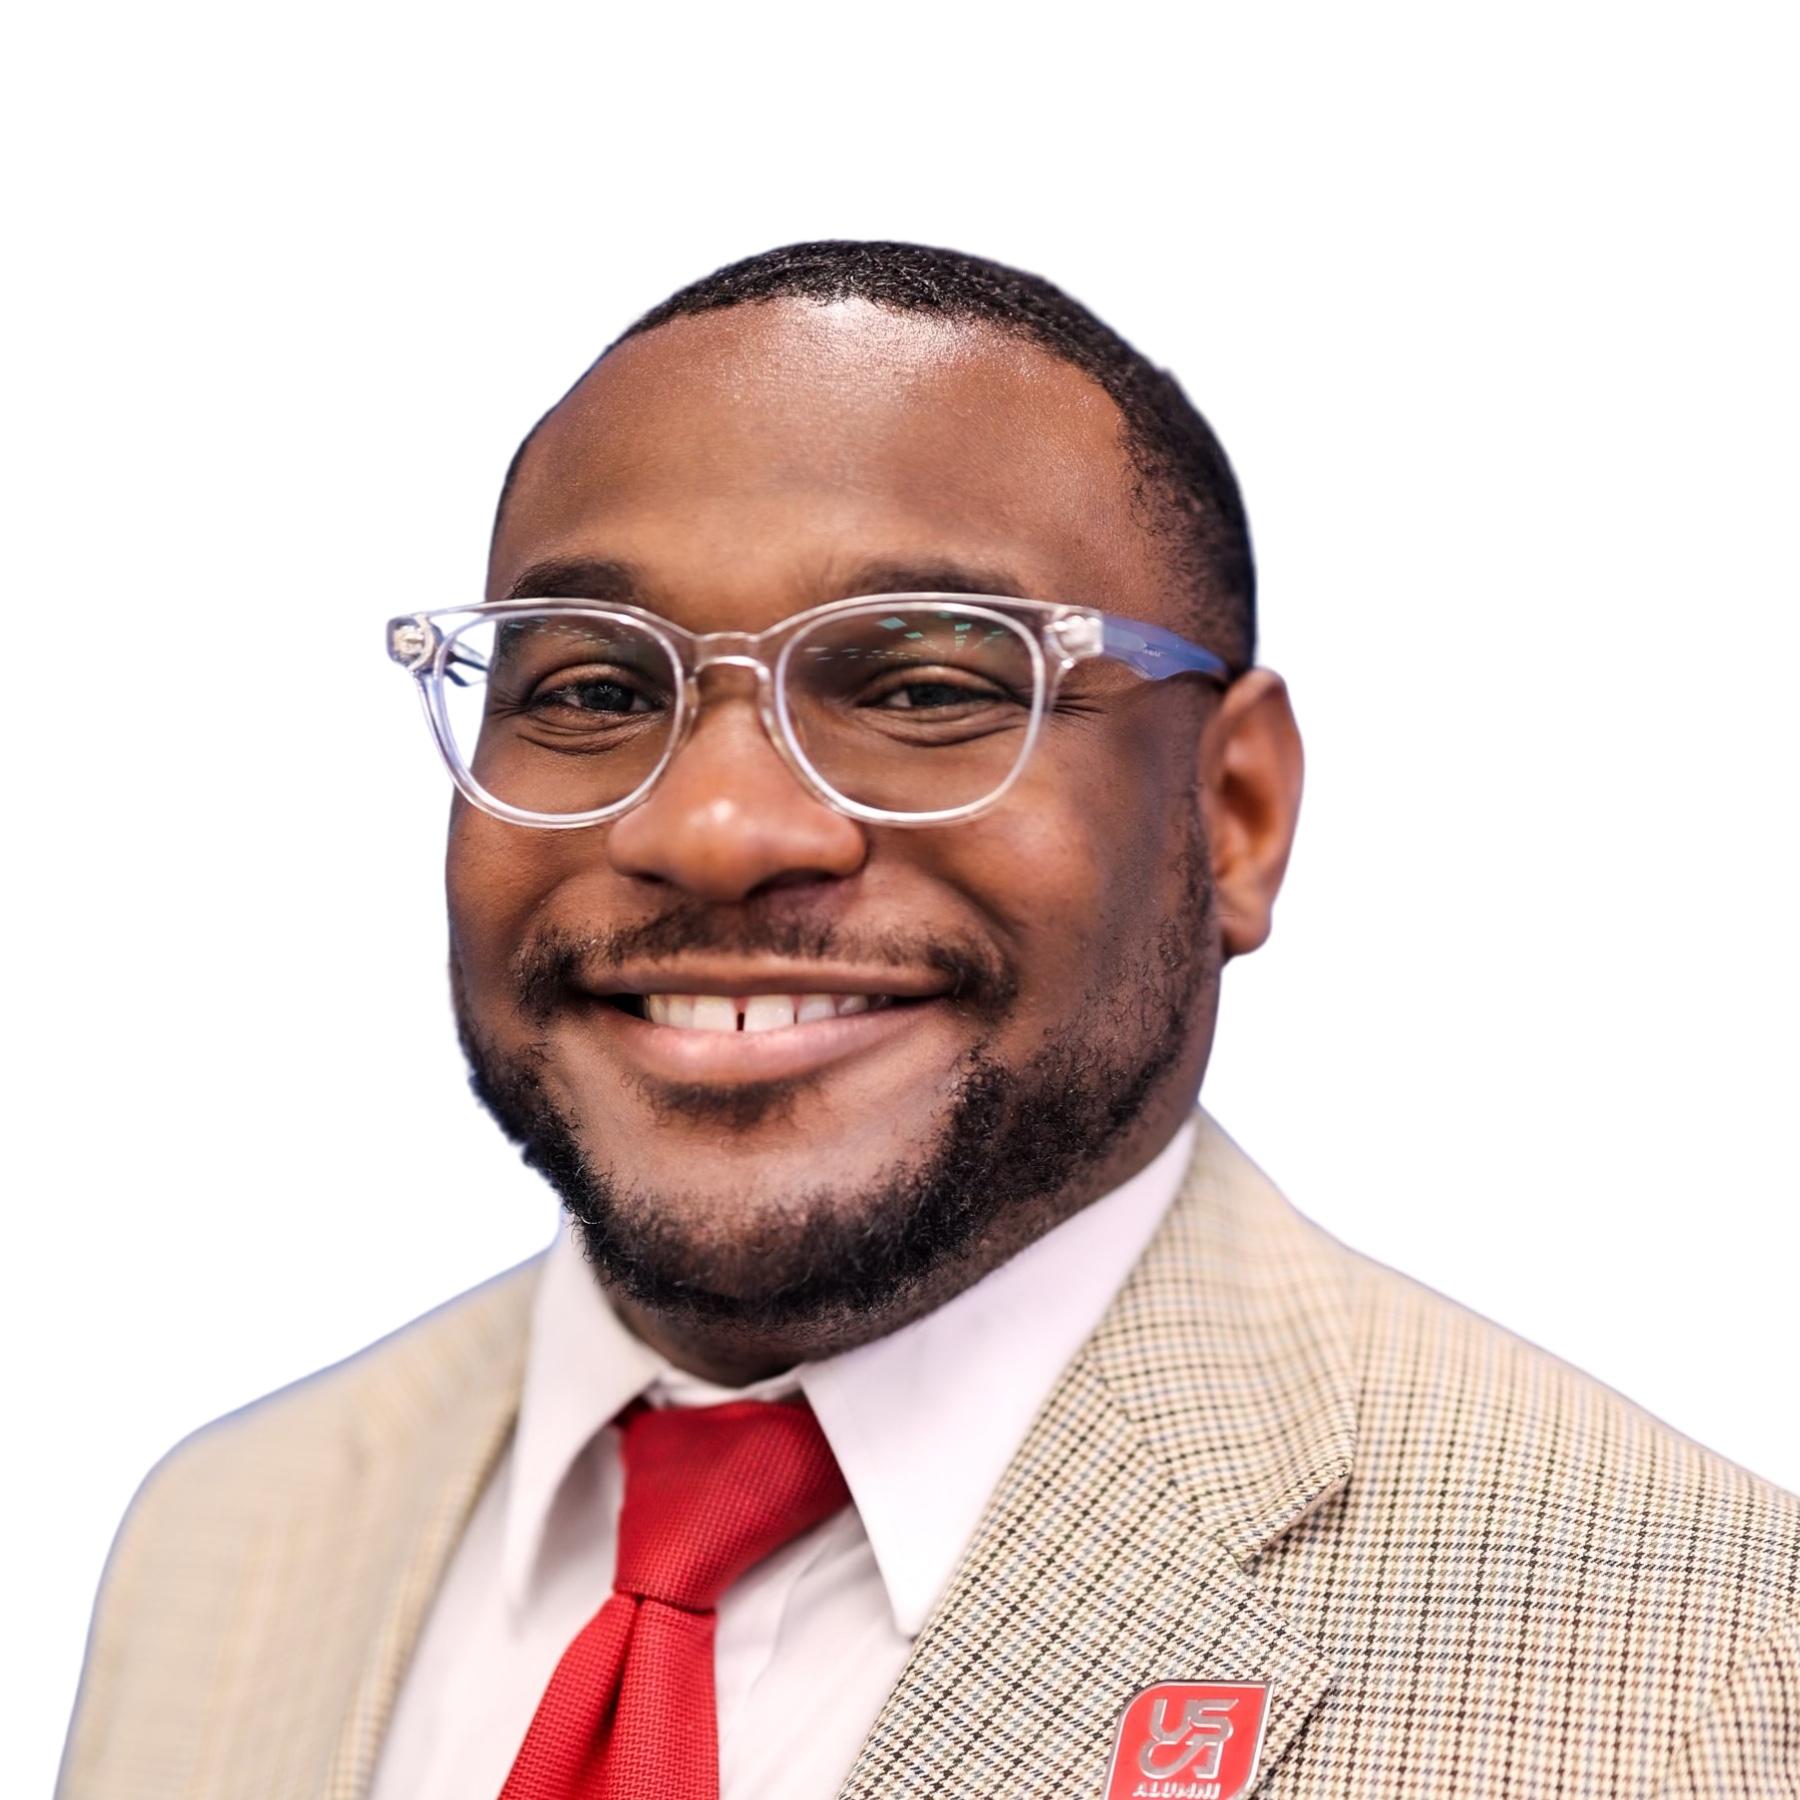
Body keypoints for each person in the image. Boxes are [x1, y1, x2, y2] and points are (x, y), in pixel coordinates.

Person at [59, 240, 1800, 1800]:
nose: (715, 829)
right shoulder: (227, 1544)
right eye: (591, 688)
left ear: (1236, 815)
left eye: (923, 685)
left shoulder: (1696, 1680)